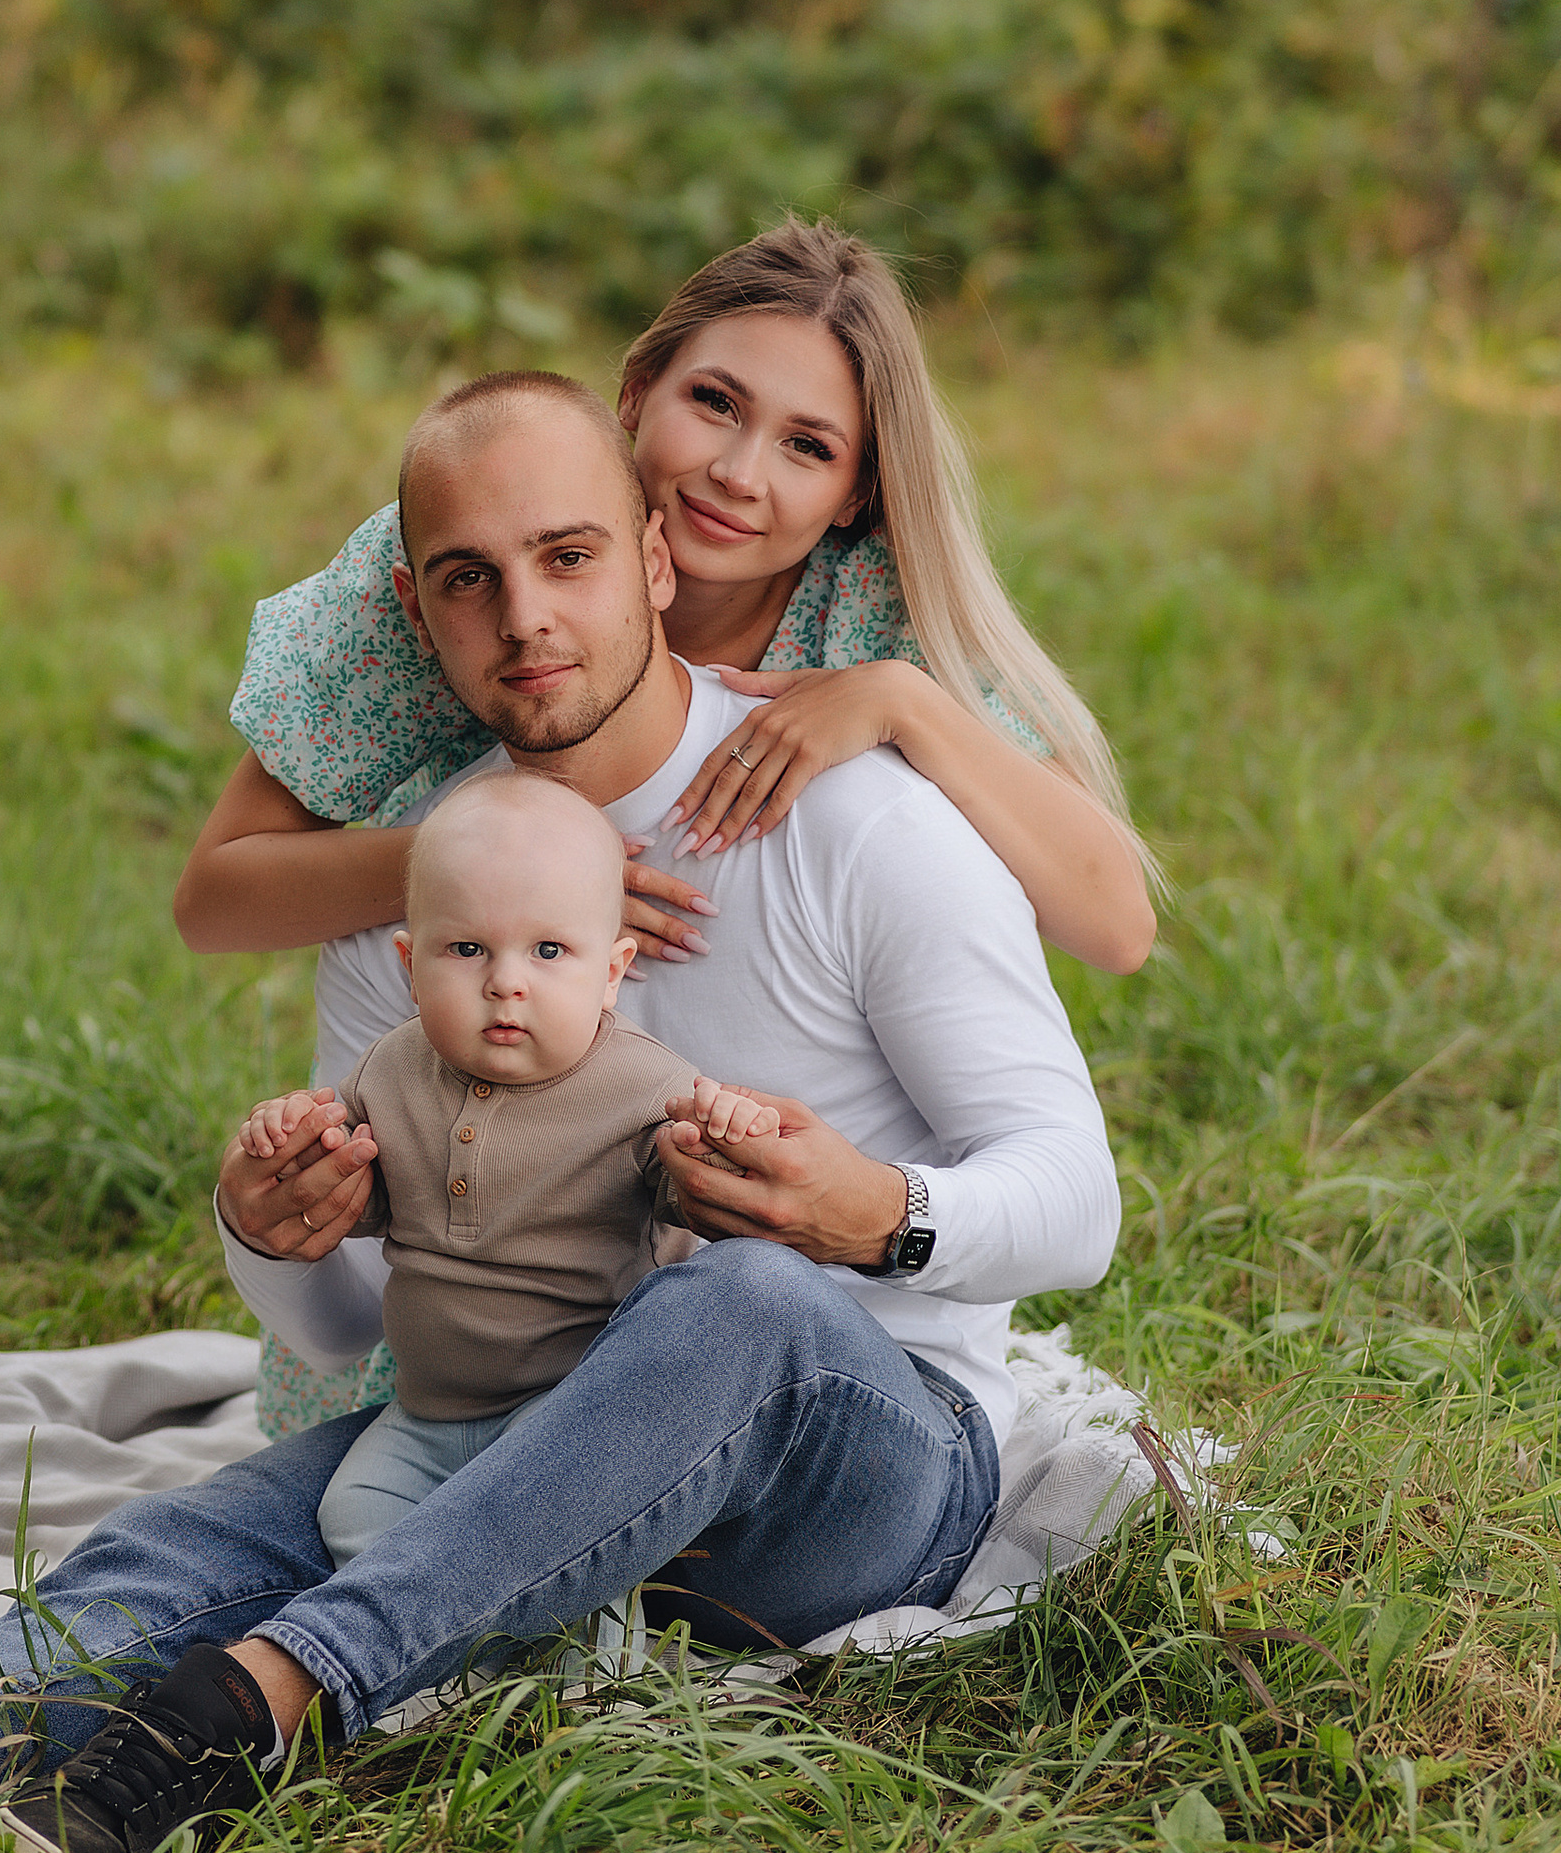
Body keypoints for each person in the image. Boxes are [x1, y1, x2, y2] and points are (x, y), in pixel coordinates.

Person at [0, 360, 1122, 1853]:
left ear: (657, 560)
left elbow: (1078, 1195)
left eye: (571, 556)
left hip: (857, 1458)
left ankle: (269, 1699)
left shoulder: (857, 823)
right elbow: (359, 1325)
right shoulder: (418, 894)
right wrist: (279, 1235)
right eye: (471, 580)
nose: (527, 618)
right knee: (198, 1531)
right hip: (519, 1435)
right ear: (418, 614)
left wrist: (874, 1211)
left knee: (736, 1298)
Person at [177, 213, 1155, 1439]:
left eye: (806, 444)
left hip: (754, 1315)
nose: (739, 472)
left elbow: (1113, 924)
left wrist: (902, 703)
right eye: (713, 402)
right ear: (636, 391)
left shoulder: (871, 621)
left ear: (854, 491)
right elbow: (214, 896)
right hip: (469, 1264)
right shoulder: (470, 538)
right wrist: (503, 867)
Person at [271, 774, 740, 1567]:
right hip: (425, 1415)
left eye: (548, 951)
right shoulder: (392, 1069)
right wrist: (294, 1138)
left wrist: (723, 1139)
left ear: (612, 971)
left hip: (567, 1408)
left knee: (563, 1525)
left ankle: (580, 1635)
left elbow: (702, 1192)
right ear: (410, 965)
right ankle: (437, 1623)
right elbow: (348, 1184)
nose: (505, 982)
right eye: (467, 949)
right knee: (352, 1514)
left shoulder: (648, 1088)